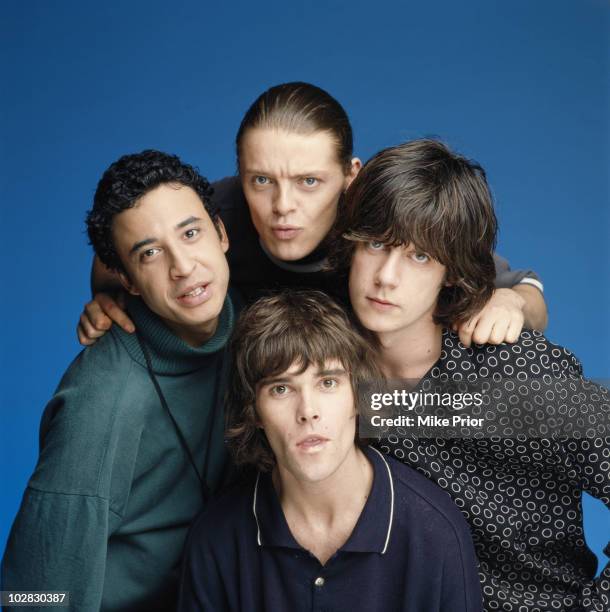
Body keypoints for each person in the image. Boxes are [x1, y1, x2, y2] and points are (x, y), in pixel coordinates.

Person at [331, 138, 610, 611]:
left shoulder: (516, 374)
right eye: (376, 244)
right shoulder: (329, 375)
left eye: (420, 256)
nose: (387, 276)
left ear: (451, 273)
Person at [78, 82, 547, 349]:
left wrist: (512, 303)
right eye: (261, 180)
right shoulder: (212, 217)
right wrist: (109, 298)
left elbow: (524, 290)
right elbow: (121, 253)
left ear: (351, 177)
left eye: (309, 182)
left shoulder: (382, 224)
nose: (283, 206)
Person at [1, 150, 238, 611]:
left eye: (191, 234)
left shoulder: (254, 323)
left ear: (222, 234)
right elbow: (28, 592)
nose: (184, 266)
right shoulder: (101, 402)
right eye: (149, 253)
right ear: (127, 280)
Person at [178, 291, 483, 612]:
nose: (307, 411)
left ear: (357, 395)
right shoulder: (216, 538)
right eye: (281, 389)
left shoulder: (435, 533)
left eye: (327, 383)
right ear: (254, 412)